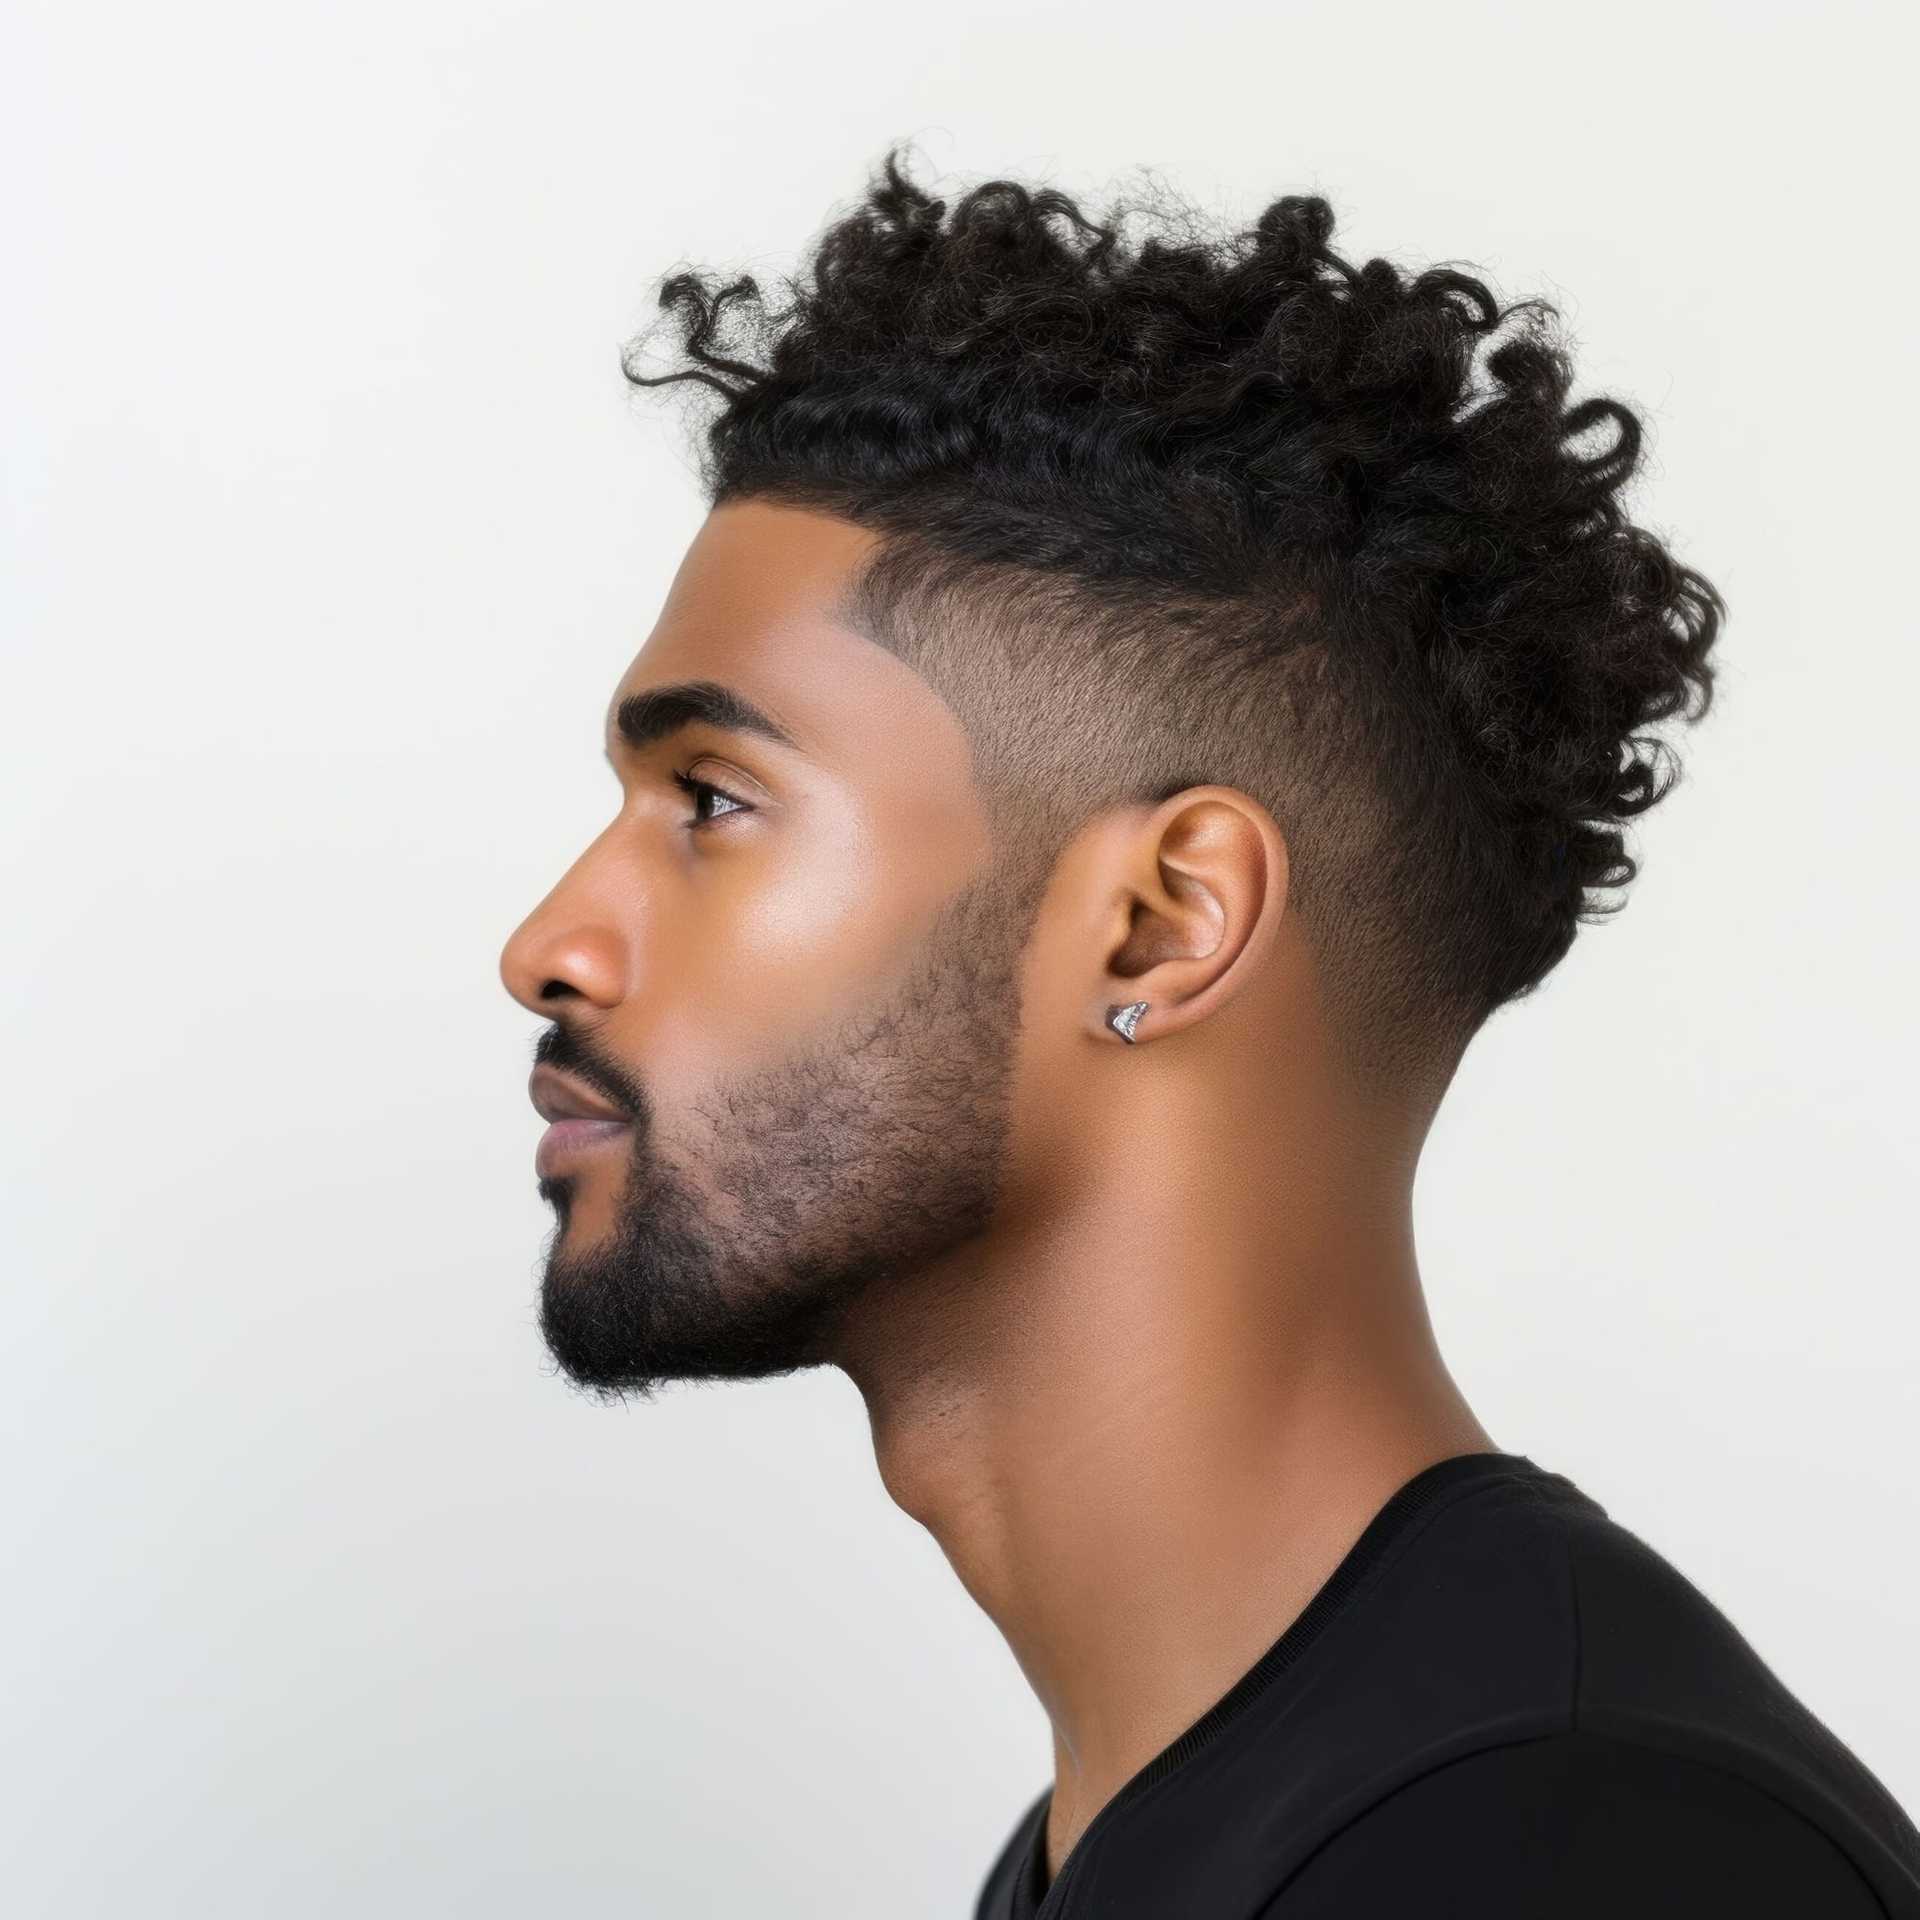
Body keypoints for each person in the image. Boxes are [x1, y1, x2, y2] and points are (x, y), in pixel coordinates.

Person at [497, 145, 1920, 1915]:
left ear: (1166, 926)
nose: (547, 947)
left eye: (712, 799)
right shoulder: (1187, 1827)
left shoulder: (1559, 1855)